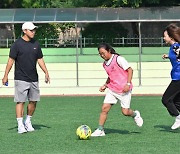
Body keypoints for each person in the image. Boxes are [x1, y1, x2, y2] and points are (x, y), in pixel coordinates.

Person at [2, 22, 50, 134]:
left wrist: (46, 72)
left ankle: (28, 121)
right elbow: (10, 61)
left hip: (34, 78)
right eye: (31, 30)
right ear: (24, 31)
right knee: (20, 101)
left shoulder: (36, 44)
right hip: (21, 78)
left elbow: (40, 59)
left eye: (34, 30)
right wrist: (5, 76)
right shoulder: (16, 45)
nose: (33, 32)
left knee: (33, 101)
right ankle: (20, 125)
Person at [91, 43, 143, 137]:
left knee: (125, 112)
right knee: (104, 108)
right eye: (100, 54)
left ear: (109, 51)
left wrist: (128, 84)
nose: (102, 55)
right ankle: (100, 129)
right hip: (112, 89)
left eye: (103, 53)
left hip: (124, 90)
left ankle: (135, 114)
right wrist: (105, 85)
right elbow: (111, 76)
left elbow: (130, 70)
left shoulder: (118, 59)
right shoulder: (104, 64)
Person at [162, 23, 180, 130]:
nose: (164, 38)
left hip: (178, 78)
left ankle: (178, 118)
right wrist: (168, 56)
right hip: (177, 77)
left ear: (171, 37)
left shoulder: (176, 46)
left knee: (166, 99)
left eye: (165, 36)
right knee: (176, 101)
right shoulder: (174, 47)